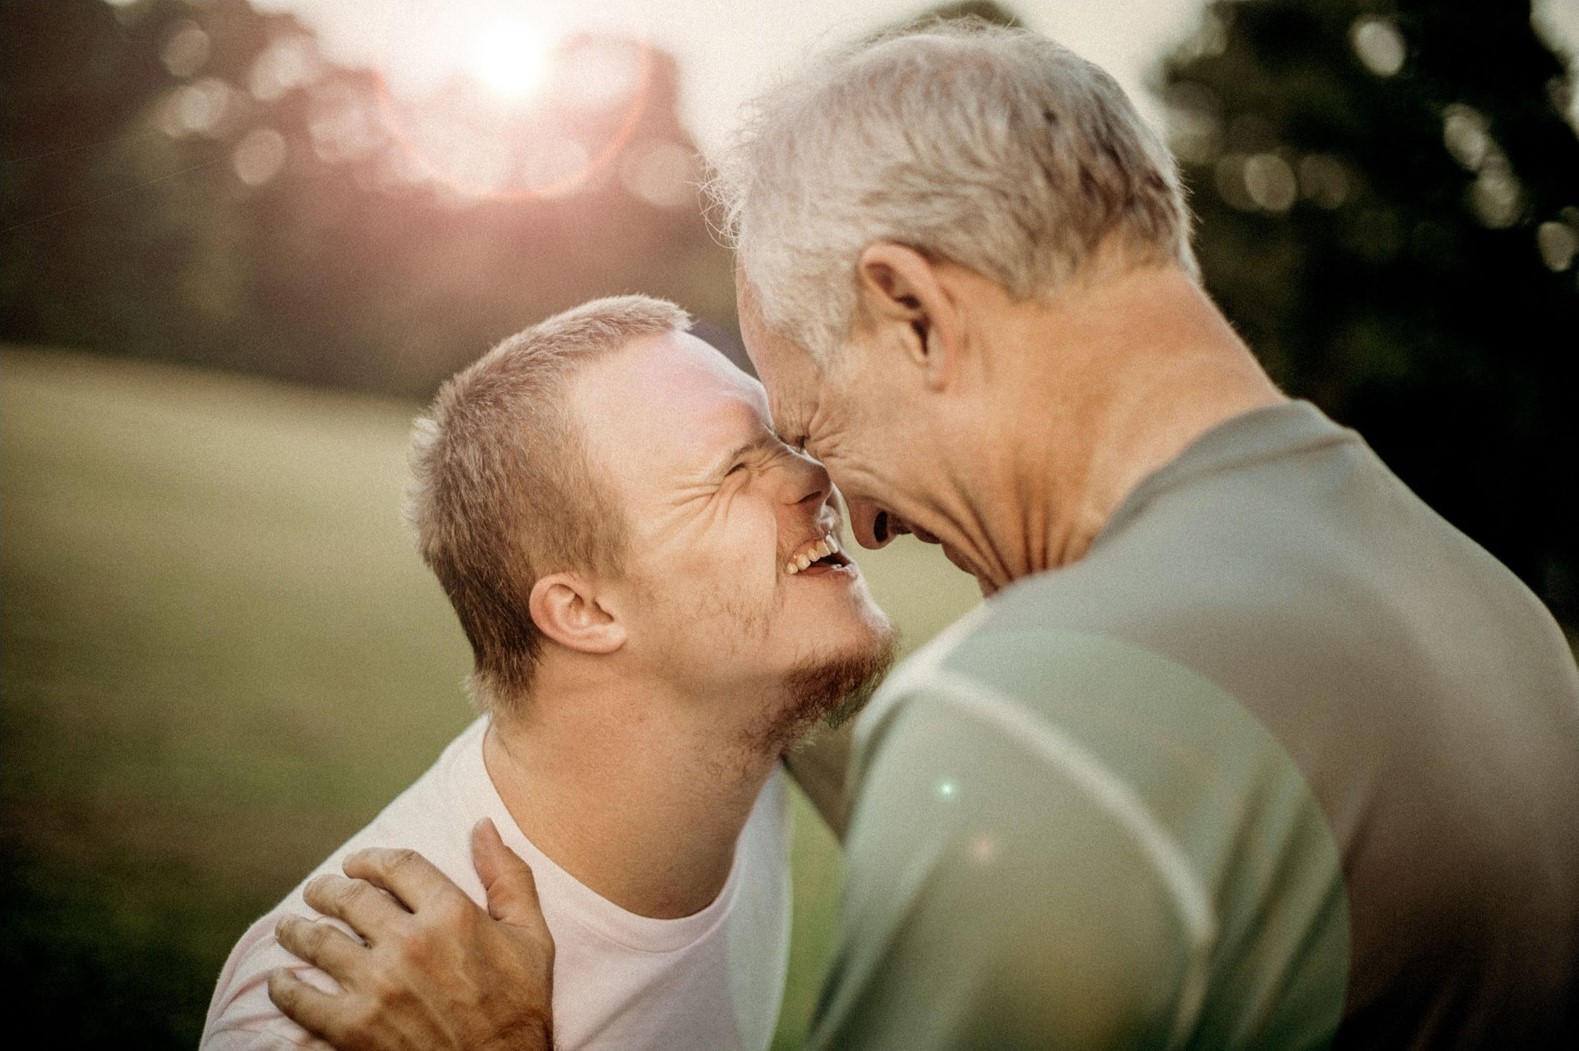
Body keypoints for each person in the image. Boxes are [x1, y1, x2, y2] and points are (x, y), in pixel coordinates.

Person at [267, 22, 1579, 1050]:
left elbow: (1060, 759)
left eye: (815, 424)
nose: (863, 511)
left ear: (910, 312)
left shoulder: (1046, 719)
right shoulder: (1490, 608)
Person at [202, 295, 894, 1050]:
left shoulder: (751, 708)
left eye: (783, 437)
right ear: (583, 610)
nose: (814, 474)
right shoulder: (346, 1004)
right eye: (734, 470)